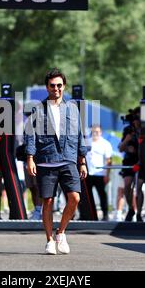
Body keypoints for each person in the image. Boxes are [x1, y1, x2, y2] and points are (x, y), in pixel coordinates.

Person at [25, 68, 88, 255]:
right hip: (46, 160)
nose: (56, 89)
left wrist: (82, 160)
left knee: (75, 197)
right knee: (48, 201)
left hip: (68, 159)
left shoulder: (73, 108)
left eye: (59, 85)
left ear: (64, 86)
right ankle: (49, 240)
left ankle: (60, 232)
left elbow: (79, 136)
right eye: (52, 86)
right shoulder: (38, 109)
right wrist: (30, 158)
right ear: (47, 87)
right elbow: (30, 135)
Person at [118, 108, 144, 222]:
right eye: (135, 119)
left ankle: (139, 213)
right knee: (127, 185)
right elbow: (120, 148)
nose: (136, 121)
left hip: (142, 161)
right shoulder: (128, 130)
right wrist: (127, 141)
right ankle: (130, 209)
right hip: (129, 161)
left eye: (138, 118)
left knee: (138, 187)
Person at [85, 124, 113, 221]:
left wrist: (107, 175)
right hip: (88, 173)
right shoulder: (86, 142)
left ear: (101, 132)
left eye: (97, 131)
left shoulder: (105, 144)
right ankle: (89, 214)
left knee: (102, 195)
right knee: (87, 195)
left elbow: (109, 160)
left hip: (100, 174)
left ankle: (105, 214)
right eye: (93, 131)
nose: (95, 133)